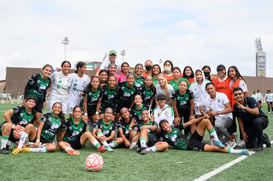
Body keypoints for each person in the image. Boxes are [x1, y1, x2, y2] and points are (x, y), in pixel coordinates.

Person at [159, 118, 249, 155]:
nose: (166, 127)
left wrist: (202, 117)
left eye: (166, 125)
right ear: (162, 129)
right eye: (163, 127)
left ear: (168, 123)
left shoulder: (176, 128)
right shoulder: (164, 135)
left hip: (191, 138)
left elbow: (190, 122)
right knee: (216, 148)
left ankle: (216, 140)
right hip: (191, 145)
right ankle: (239, 151)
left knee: (205, 121)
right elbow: (155, 130)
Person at [205, 83, 236, 147]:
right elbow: (209, 115)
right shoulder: (207, 100)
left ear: (215, 88)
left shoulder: (222, 95)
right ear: (206, 91)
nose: (210, 90)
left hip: (227, 118)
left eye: (211, 88)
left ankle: (231, 141)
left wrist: (217, 113)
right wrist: (204, 113)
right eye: (208, 89)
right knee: (216, 142)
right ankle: (232, 137)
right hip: (217, 121)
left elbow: (229, 108)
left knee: (218, 125)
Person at [228, 66, 249, 144]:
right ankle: (234, 139)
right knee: (234, 123)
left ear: (236, 71)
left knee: (243, 122)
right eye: (230, 71)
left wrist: (245, 105)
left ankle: (244, 139)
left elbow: (246, 93)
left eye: (232, 71)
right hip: (233, 107)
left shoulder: (240, 81)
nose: (231, 73)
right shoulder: (231, 82)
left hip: (241, 106)